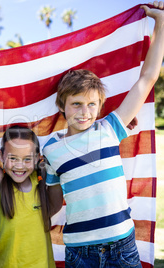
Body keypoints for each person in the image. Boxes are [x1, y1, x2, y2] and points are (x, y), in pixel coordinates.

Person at [42, 2, 164, 267]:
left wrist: (161, 23)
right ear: (62, 106)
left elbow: (148, 77)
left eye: (92, 104)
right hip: (79, 250)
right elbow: (51, 203)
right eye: (76, 104)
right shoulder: (50, 148)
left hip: (122, 244)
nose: (85, 112)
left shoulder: (109, 128)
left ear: (100, 107)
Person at [0, 125, 59, 268]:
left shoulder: (41, 181)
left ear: (37, 158)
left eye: (27, 159)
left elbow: (56, 205)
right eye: (13, 158)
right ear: (1, 155)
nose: (19, 165)